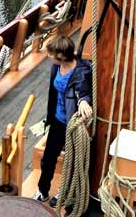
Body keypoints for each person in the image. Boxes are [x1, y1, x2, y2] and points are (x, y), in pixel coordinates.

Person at [34, 34, 93, 205]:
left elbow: (84, 91)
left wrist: (84, 102)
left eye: (50, 53)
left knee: (71, 160)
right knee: (48, 158)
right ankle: (42, 190)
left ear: (60, 56)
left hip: (72, 125)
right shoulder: (56, 67)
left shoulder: (81, 72)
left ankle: (65, 192)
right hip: (57, 121)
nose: (48, 56)